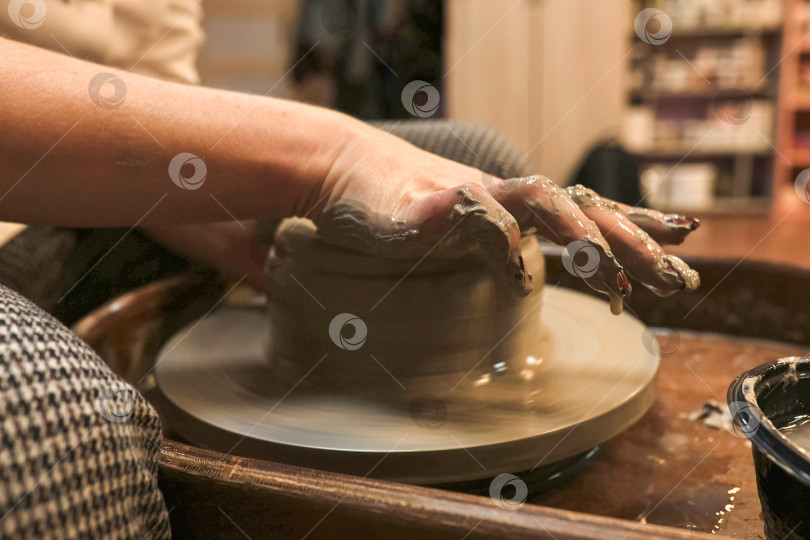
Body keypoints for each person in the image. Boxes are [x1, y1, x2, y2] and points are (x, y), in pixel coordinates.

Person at [0, 1, 699, 538]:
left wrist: (275, 250)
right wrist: (329, 157)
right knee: (50, 423)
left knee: (477, 161)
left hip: (105, 170)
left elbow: (147, 107)